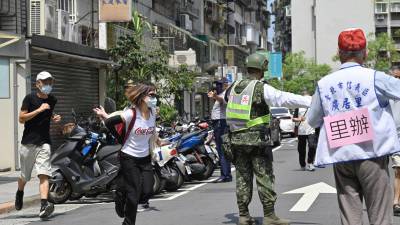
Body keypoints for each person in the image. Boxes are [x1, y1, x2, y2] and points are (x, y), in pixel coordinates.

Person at [307, 28, 400, 225]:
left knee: (350, 216)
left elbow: (313, 120)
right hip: (373, 156)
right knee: (380, 215)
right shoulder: (375, 77)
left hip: (342, 156)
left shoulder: (324, 84)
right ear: (365, 52)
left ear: (339, 53)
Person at [223, 52, 311, 225]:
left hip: (236, 141)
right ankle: (270, 216)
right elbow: (285, 99)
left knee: (242, 178)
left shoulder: (233, 87)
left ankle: (243, 215)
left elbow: (226, 100)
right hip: (257, 142)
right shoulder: (261, 88)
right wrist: (310, 100)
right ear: (263, 68)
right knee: (264, 177)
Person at [104, 83, 162, 225]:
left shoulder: (153, 112)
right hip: (129, 157)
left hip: (145, 157)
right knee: (133, 194)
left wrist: (158, 139)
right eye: (152, 95)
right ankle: (128, 222)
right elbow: (109, 122)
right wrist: (120, 138)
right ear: (142, 97)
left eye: (155, 95)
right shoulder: (131, 114)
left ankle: (120, 192)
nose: (155, 98)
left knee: (148, 190)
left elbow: (152, 129)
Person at [15, 71, 61, 218]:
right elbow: (21, 118)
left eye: (50, 82)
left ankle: (43, 205)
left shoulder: (52, 99)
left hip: (44, 142)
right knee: (25, 176)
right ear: (37, 84)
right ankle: (20, 191)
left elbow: (48, 113)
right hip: (28, 142)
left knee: (44, 174)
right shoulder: (29, 98)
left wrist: (54, 117)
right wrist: (39, 110)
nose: (48, 85)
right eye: (45, 82)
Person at [208, 77, 232, 183]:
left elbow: (222, 100)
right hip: (218, 123)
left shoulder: (226, 94)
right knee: (221, 149)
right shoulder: (222, 93)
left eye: (220, 84)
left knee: (222, 149)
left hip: (221, 123)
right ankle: (226, 174)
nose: (217, 86)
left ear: (225, 84)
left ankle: (225, 175)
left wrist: (215, 96)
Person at [292, 90, 316, 171]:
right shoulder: (298, 107)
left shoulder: (313, 105)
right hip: (301, 131)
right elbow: (293, 119)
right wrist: (299, 119)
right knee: (301, 149)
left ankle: (310, 163)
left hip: (311, 129)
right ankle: (302, 164)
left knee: (312, 146)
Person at [389, 66, 400, 216]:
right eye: (395, 78)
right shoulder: (385, 94)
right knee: (398, 169)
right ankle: (395, 201)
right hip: (391, 136)